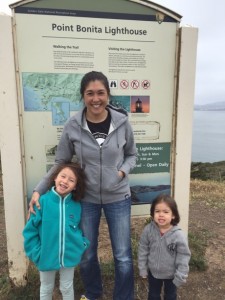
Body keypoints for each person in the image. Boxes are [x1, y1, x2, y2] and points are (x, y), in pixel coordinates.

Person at [29, 71, 137, 300]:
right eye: (90, 93)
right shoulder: (73, 125)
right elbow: (60, 163)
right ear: (83, 96)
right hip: (85, 198)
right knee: (87, 253)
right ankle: (94, 294)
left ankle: (124, 297)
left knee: (123, 255)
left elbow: (132, 155)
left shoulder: (122, 122)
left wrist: (120, 172)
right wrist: (39, 189)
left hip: (118, 196)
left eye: (101, 93)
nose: (95, 98)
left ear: (108, 95)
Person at [23, 162, 90, 300]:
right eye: (63, 176)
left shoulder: (76, 205)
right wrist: (36, 253)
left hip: (69, 256)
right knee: (46, 288)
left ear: (75, 186)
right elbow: (30, 232)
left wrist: (82, 245)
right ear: (55, 178)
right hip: (45, 256)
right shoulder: (42, 202)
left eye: (71, 180)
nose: (65, 181)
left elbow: (81, 229)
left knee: (67, 286)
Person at [138, 194, 191, 300]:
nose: (161, 215)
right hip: (153, 273)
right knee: (153, 295)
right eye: (157, 211)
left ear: (173, 215)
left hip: (172, 275)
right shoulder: (148, 230)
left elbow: (184, 256)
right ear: (153, 213)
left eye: (166, 212)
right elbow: (143, 249)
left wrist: (180, 275)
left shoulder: (178, 235)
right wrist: (143, 269)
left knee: (170, 296)